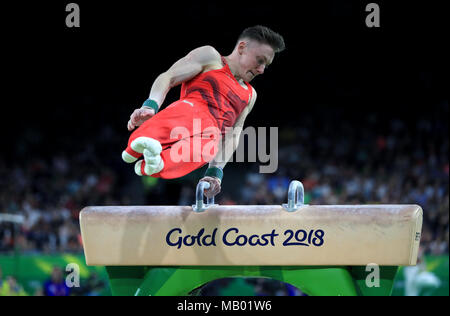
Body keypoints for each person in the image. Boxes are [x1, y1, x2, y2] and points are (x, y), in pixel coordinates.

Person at [122, 25, 285, 198]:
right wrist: (150, 105)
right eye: (260, 60)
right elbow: (168, 77)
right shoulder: (211, 58)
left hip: (204, 139)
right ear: (242, 48)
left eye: (266, 65)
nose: (261, 70)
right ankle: (137, 146)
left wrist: (215, 172)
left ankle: (157, 164)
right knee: (192, 113)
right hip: (185, 115)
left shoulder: (250, 95)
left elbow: (233, 136)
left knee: (210, 143)